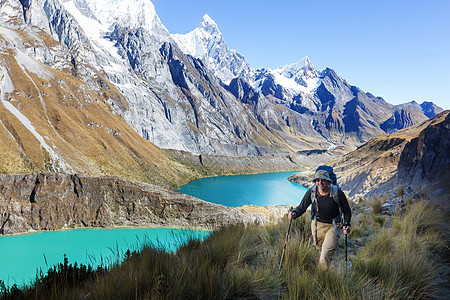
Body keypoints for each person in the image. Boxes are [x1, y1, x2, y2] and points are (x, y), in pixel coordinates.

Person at [288, 169, 351, 268]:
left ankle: (322, 279)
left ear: (328, 181)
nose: (320, 183)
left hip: (333, 226)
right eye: (317, 180)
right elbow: (302, 208)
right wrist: (294, 213)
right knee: (321, 252)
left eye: (323, 180)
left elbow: (346, 211)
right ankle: (327, 272)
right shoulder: (311, 192)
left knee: (325, 255)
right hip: (316, 226)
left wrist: (346, 224)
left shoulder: (337, 193)